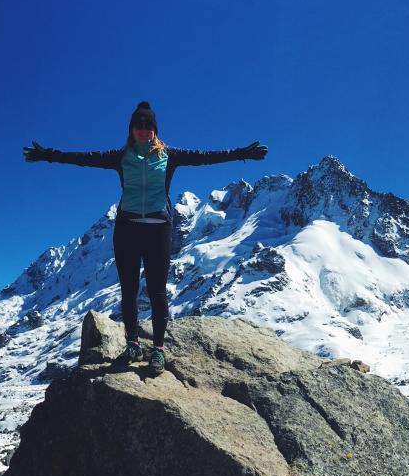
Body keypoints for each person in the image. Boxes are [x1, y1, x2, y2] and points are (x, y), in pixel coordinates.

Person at [23, 101, 268, 374]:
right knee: (128, 291)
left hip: (158, 229)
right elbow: (83, 158)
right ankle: (133, 343)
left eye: (148, 125)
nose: (143, 129)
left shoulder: (169, 155)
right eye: (138, 125)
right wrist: (48, 155)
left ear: (155, 129)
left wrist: (241, 153)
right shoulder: (121, 156)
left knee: (156, 291)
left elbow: (206, 156)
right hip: (127, 228)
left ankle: (158, 350)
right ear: (131, 129)